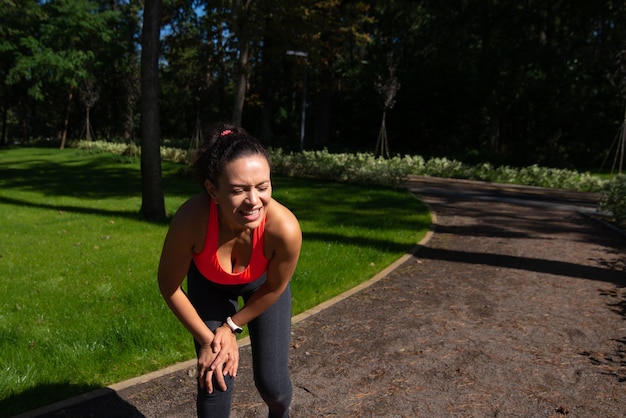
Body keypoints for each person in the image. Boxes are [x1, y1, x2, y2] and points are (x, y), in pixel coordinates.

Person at [157, 124, 302, 418]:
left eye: (263, 187)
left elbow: (274, 287)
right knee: (215, 381)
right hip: (209, 287)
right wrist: (212, 341)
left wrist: (231, 326)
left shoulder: (284, 228)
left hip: (263, 289)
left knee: (272, 385)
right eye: (239, 190)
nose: (254, 201)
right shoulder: (191, 220)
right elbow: (169, 286)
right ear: (213, 190)